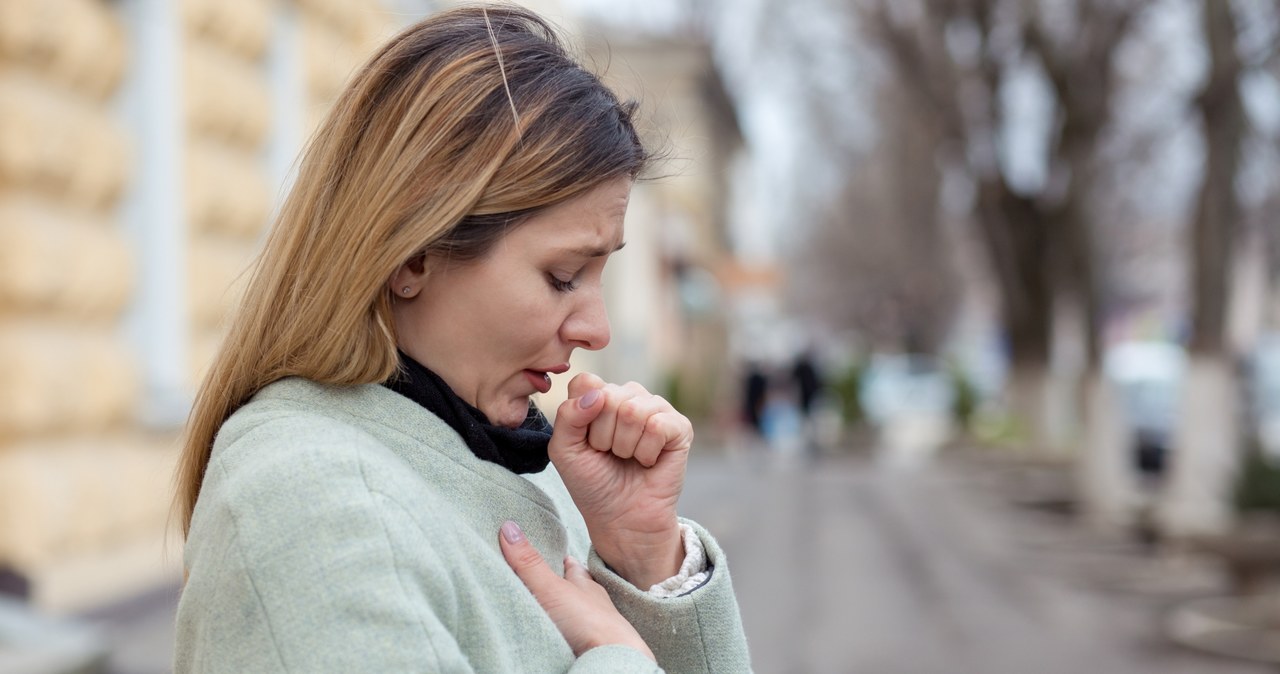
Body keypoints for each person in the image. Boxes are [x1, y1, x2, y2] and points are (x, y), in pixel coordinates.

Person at [171, 6, 751, 672]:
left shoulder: (520, 467)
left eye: (600, 274)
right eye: (563, 276)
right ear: (413, 255)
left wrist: (644, 560)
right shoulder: (311, 505)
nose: (597, 328)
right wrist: (618, 655)